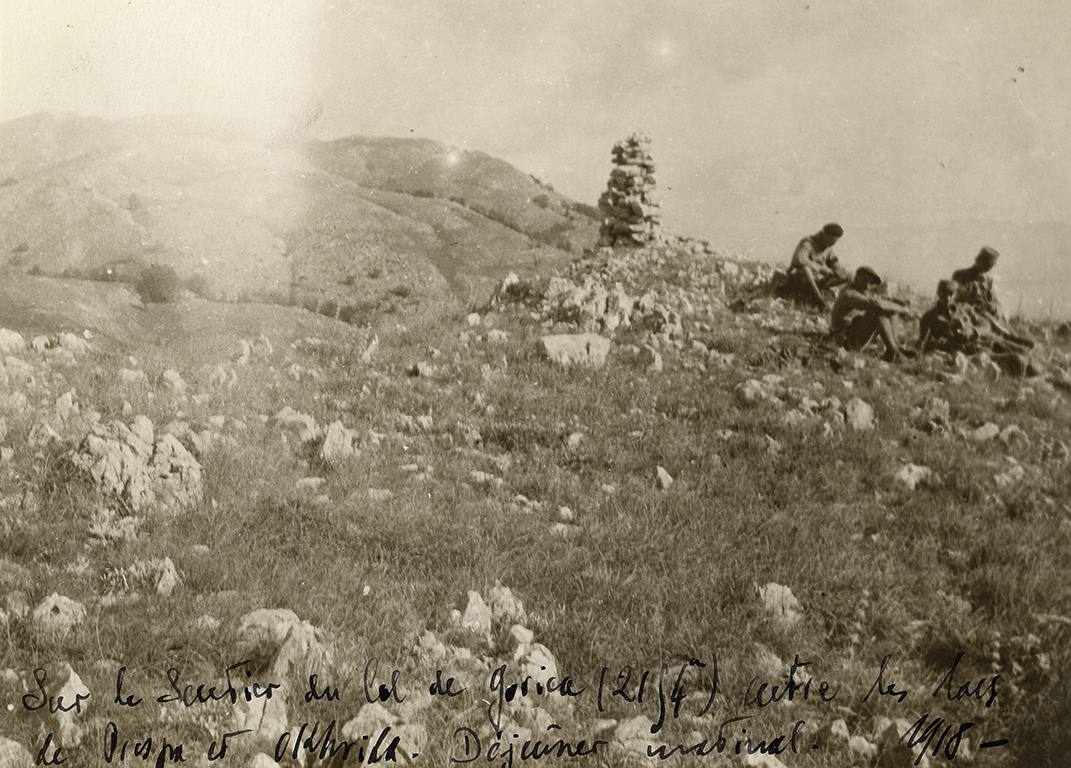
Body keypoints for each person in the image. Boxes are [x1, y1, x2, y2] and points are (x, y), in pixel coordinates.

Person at [950, 246, 1035, 350]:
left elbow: (994, 300)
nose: (989, 268)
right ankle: (1009, 338)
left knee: (993, 321)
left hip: (984, 312)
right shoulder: (960, 275)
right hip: (967, 312)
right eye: (987, 264)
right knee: (987, 324)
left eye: (991, 266)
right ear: (979, 260)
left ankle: (1011, 338)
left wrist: (993, 307)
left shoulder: (987, 280)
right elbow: (953, 296)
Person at [828, 266, 914, 362]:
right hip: (843, 341)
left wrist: (896, 305)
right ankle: (895, 352)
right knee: (878, 313)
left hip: (854, 335)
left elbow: (882, 303)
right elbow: (877, 306)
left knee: (891, 310)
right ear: (856, 278)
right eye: (864, 281)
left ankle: (896, 347)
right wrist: (904, 310)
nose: (867, 286)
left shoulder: (862, 292)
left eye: (870, 283)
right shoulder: (849, 294)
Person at [786, 223, 850, 308]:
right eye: (832, 241)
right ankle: (820, 301)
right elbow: (799, 259)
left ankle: (844, 304)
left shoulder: (828, 248)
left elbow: (836, 264)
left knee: (849, 276)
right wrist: (821, 269)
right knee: (806, 270)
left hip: (817, 281)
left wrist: (841, 272)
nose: (833, 244)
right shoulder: (807, 242)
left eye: (835, 242)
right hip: (799, 279)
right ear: (825, 235)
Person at [917, 279, 977, 354]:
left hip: (963, 355)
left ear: (955, 295)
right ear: (938, 293)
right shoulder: (929, 316)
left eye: (950, 294)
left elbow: (972, 334)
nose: (947, 298)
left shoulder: (961, 313)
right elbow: (922, 344)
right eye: (944, 294)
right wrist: (941, 344)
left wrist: (966, 335)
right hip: (942, 355)